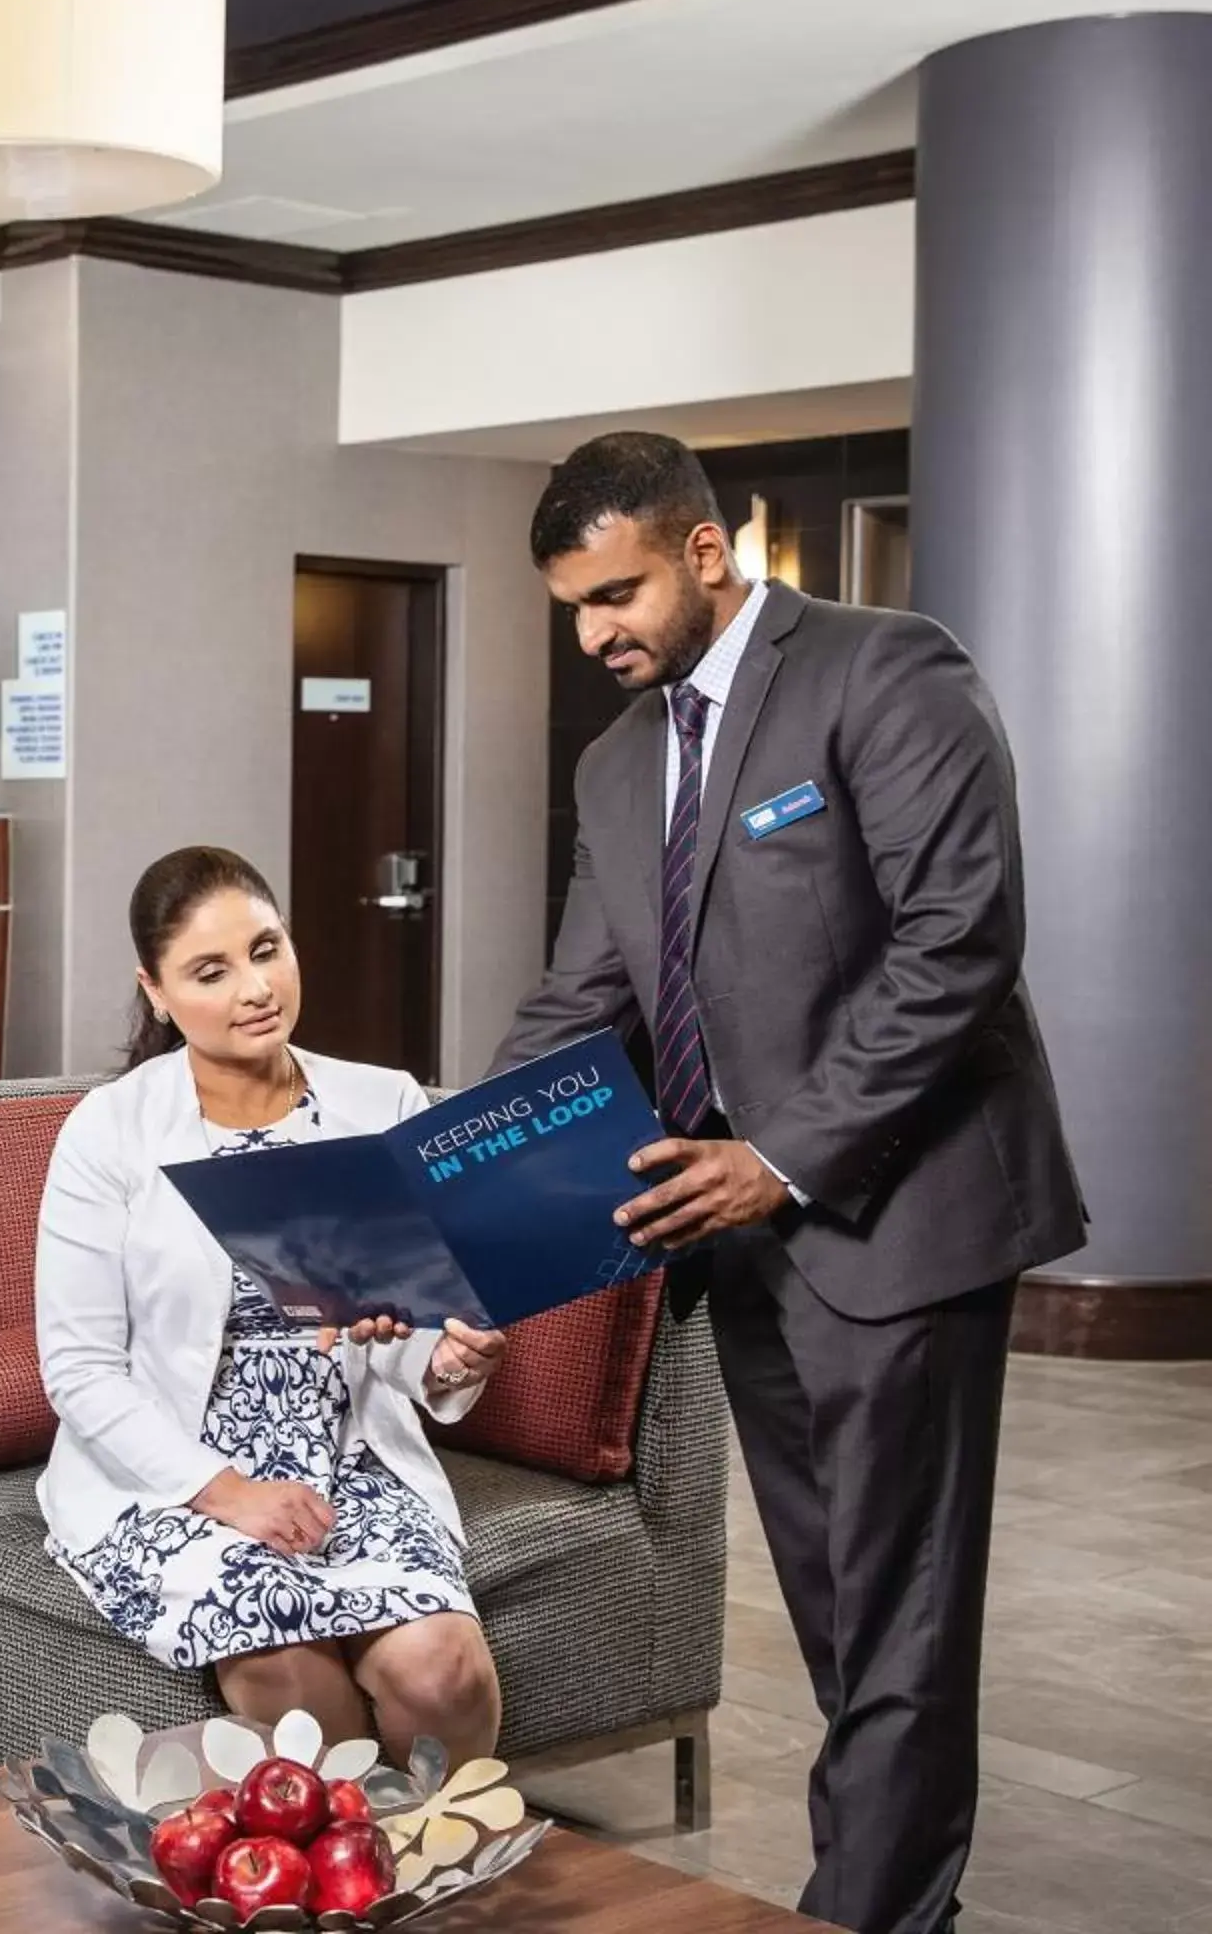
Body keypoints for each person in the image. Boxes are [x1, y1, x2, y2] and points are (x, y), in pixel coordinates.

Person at [490, 433, 1084, 1934]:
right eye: (570, 607)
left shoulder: (888, 674)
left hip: (902, 1217)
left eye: (614, 593)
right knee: (836, 1603)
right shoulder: (618, 766)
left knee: (902, 1608)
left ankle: (869, 1913)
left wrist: (783, 1157)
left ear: (704, 553)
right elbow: (578, 1007)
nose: (594, 633)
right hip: (734, 1243)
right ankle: (897, 1895)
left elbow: (960, 941)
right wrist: (436, 1188)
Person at [36, 845, 510, 1764]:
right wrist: (229, 1495)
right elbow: (80, 1369)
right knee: (292, 1672)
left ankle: (438, 1883)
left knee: (442, 1671)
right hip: (176, 1475)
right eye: (211, 972)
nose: (255, 987)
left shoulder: (385, 1103)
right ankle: (330, 1896)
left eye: (267, 949)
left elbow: (407, 1324)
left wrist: (449, 1358)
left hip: (350, 1455)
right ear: (157, 991)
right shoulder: (112, 1129)